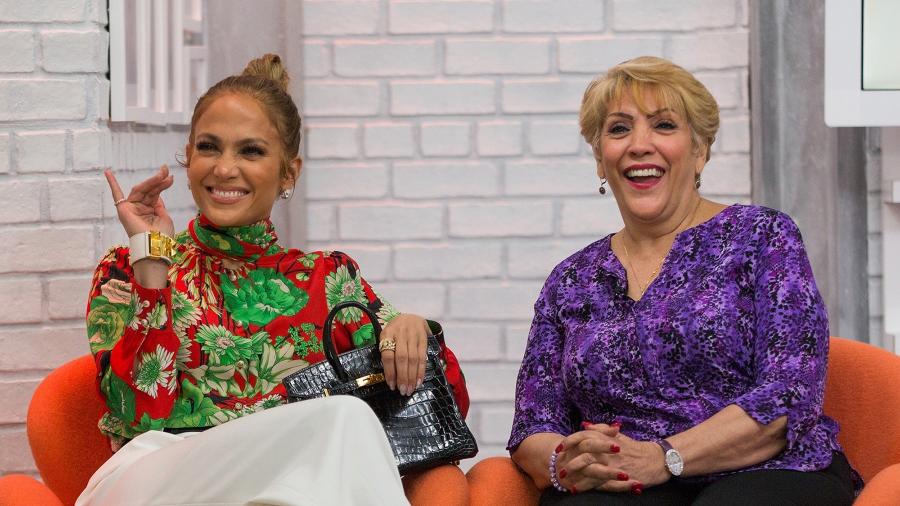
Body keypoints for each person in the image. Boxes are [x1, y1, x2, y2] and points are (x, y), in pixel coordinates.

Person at [79, 54, 468, 506]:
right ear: (187, 158)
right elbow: (139, 415)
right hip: (154, 482)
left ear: (289, 171)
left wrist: (412, 330)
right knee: (344, 418)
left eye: (251, 151)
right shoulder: (128, 267)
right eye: (208, 147)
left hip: (284, 490)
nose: (224, 168)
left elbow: (442, 409)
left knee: (309, 480)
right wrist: (153, 257)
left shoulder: (328, 278)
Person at [507, 56, 859, 505]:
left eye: (664, 125)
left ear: (700, 150)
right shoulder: (572, 279)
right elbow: (533, 424)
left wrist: (663, 457)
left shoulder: (762, 237)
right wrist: (565, 461)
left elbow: (788, 396)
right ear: (600, 159)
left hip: (769, 469)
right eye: (618, 130)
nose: (639, 145)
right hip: (628, 483)